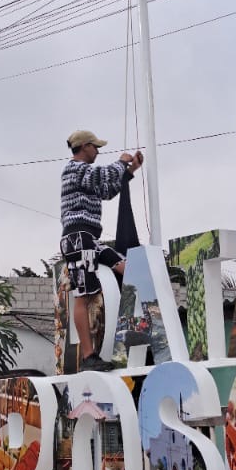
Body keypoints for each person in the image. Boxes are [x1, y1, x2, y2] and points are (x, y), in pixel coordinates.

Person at [60, 129, 143, 371]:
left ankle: (131, 330)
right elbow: (103, 174)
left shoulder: (86, 176)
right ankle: (88, 356)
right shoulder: (74, 169)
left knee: (127, 268)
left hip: (90, 239)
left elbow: (107, 191)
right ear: (84, 146)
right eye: (95, 147)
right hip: (78, 238)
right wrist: (122, 162)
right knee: (84, 295)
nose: (97, 151)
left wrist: (130, 171)